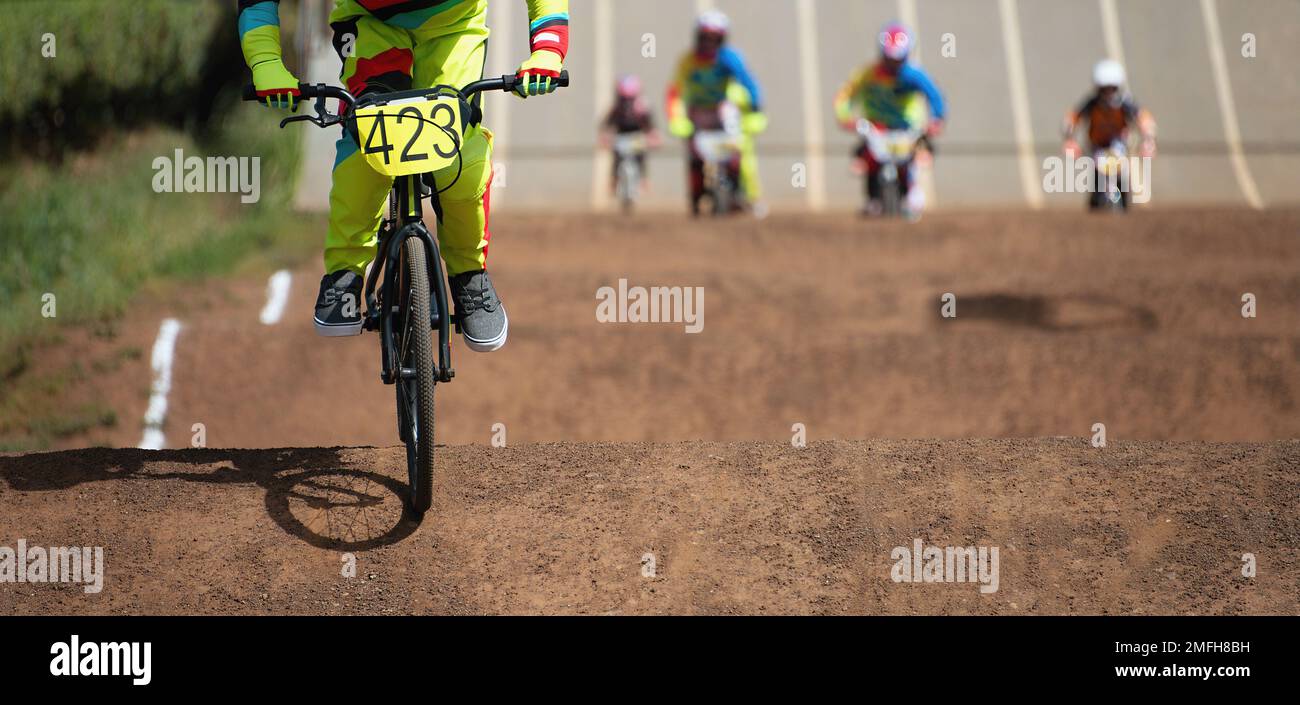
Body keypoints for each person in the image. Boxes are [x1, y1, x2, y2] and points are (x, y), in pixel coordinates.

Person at [238, 0, 569, 349]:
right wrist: (266, 62)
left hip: (453, 22)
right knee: (365, 141)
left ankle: (469, 275)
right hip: (369, 23)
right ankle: (345, 273)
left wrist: (547, 48)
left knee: (460, 158)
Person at [833, 22, 945, 219]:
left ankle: (912, 193)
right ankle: (873, 199)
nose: (893, 65)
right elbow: (846, 94)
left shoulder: (915, 75)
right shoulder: (868, 74)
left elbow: (935, 96)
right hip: (877, 126)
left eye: (898, 59)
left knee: (919, 155)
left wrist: (937, 119)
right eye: (889, 59)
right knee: (865, 156)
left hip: (907, 127)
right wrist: (844, 116)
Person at [666, 10, 767, 215]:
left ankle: (743, 194)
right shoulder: (688, 61)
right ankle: (696, 196)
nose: (709, 43)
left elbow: (748, 82)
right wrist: (676, 118)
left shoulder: (731, 59)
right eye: (705, 37)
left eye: (715, 38)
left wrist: (756, 108)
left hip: (723, 110)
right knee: (694, 156)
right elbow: (674, 91)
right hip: (698, 111)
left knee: (739, 151)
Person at [1062, 59, 1157, 210]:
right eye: (1104, 89)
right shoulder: (1092, 103)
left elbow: (1143, 118)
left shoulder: (1125, 102)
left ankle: (1123, 199)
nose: (1108, 93)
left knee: (1121, 173)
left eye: (1111, 88)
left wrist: (1148, 139)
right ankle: (1096, 201)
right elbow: (1072, 119)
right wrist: (1069, 140)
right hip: (1097, 145)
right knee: (1098, 177)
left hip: (1119, 144)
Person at [598, 75, 661, 196]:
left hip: (636, 136)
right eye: (624, 99)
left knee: (640, 156)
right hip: (621, 136)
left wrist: (653, 136)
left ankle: (643, 179)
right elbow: (607, 123)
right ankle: (614, 180)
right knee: (616, 158)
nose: (627, 103)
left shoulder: (642, 107)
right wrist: (604, 137)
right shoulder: (616, 108)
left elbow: (649, 124)